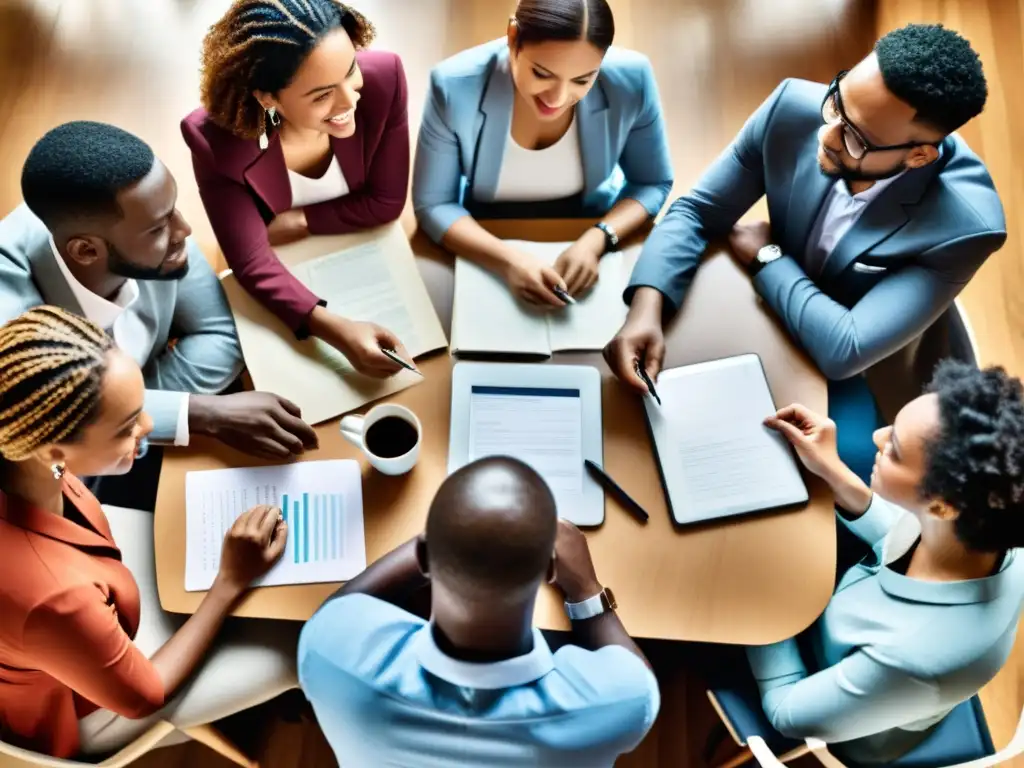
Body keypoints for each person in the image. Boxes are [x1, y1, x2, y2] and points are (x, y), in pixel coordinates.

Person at [604, 24, 1005, 483]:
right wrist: (645, 306)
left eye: (856, 138)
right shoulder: (795, 107)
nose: (827, 135)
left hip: (870, 370)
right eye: (836, 101)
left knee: (827, 486)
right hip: (771, 318)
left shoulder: (968, 226)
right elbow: (697, 212)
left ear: (918, 157)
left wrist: (768, 257)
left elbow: (846, 349)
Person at [0, 306, 299, 758]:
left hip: (90, 608)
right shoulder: (54, 599)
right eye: (126, 428)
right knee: (297, 641)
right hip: (87, 703)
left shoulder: (24, 454)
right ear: (54, 451)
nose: (147, 427)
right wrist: (229, 581)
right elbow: (143, 696)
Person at [0, 121, 319, 509]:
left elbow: (220, 335)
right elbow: (48, 430)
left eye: (173, 209)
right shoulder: (13, 322)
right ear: (86, 252)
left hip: (120, 446)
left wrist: (123, 403)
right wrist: (198, 413)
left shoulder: (152, 224)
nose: (184, 229)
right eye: (157, 228)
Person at [744, 359, 1024, 765]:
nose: (879, 436)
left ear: (942, 507)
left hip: (851, 714)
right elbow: (903, 531)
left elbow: (786, 713)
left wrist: (762, 603)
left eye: (894, 449)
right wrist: (834, 472)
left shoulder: (914, 654)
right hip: (872, 668)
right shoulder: (987, 532)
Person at [298, 457, 659, 766]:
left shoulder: (332, 655)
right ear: (551, 569)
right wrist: (585, 588)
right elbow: (638, 678)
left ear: (423, 558)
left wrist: (447, 539)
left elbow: (336, 613)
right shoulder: (613, 703)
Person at [182, 0, 413, 378]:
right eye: (322, 95)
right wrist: (335, 330)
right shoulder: (214, 141)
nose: (350, 100)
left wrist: (303, 220)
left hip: (362, 261)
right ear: (267, 97)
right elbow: (251, 261)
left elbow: (386, 203)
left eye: (351, 69)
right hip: (292, 280)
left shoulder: (384, 80)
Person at [413, 0, 672, 307]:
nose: (558, 98)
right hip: (484, 227)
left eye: (582, 80)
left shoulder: (633, 79)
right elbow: (433, 203)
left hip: (588, 217)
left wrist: (598, 239)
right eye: (542, 73)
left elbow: (652, 182)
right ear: (513, 37)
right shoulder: (453, 85)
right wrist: (507, 261)